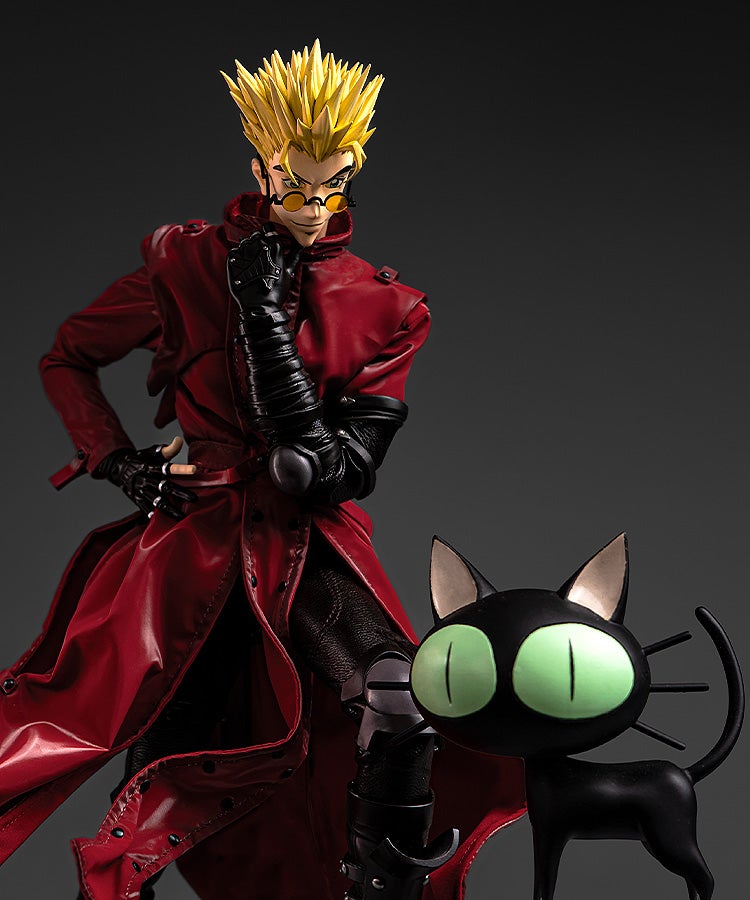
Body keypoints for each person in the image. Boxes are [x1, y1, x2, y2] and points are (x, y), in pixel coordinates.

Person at [0, 40, 525, 900]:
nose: (313, 209)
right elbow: (68, 356)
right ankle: (117, 880)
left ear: (352, 175)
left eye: (332, 187)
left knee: (401, 703)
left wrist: (264, 321)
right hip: (191, 541)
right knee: (140, 735)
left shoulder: (387, 305)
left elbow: (335, 469)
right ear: (262, 168)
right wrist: (118, 460)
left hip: (307, 541)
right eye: (294, 186)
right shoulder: (185, 265)